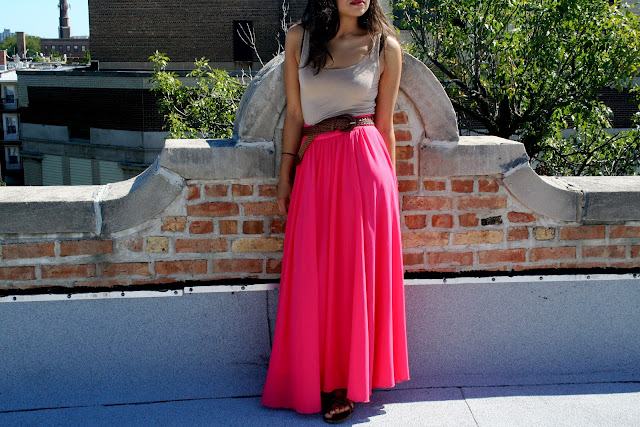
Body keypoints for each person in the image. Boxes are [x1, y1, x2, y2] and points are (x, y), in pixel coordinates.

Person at [261, 0, 409, 423]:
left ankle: (344, 382)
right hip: (317, 166)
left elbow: (385, 125)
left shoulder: (386, 47)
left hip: (367, 168)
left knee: (354, 276)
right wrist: (285, 176)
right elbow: (295, 114)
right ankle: (318, 376)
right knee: (316, 274)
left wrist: (392, 188)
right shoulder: (300, 38)